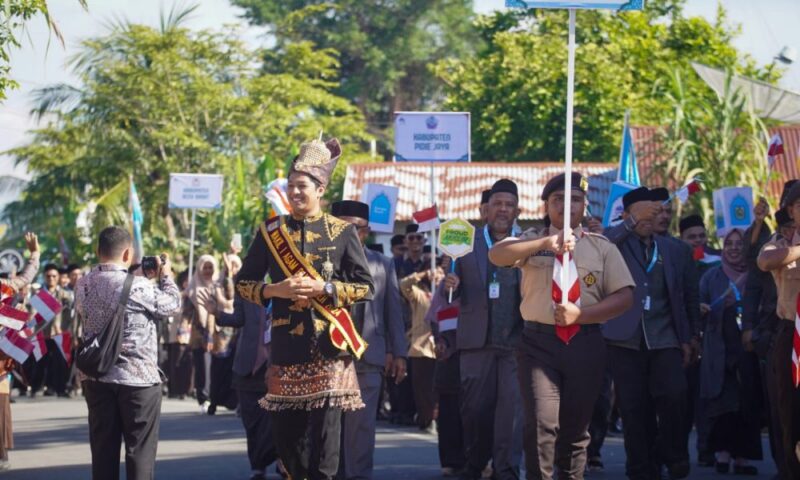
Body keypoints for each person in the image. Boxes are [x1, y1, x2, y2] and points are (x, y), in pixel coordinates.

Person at [235, 137, 374, 480]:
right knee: (289, 443)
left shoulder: (342, 232)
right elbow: (243, 284)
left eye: (302, 186)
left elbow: (365, 287)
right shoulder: (270, 232)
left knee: (327, 444)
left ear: (320, 188)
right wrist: (273, 289)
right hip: (286, 348)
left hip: (330, 349)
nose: (295, 193)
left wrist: (324, 288)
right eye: (291, 186)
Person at [489, 172, 634, 480]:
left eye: (575, 200)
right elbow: (497, 254)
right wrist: (547, 242)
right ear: (546, 206)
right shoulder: (530, 240)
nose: (566, 206)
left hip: (585, 343)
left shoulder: (601, 247)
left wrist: (579, 315)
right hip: (538, 345)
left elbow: (624, 297)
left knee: (576, 429)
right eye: (558, 200)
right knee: (541, 424)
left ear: (585, 206)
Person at [602, 187, 693, 480]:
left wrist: (691, 338)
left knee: (675, 396)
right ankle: (641, 468)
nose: (649, 218)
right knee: (633, 408)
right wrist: (630, 224)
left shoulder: (675, 249)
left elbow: (687, 296)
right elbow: (599, 246)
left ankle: (675, 453)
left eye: (653, 213)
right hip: (624, 339)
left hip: (665, 337)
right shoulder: (613, 242)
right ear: (627, 215)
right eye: (642, 213)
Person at [76, 226, 181, 480]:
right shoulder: (139, 286)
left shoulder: (83, 283)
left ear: (98, 251)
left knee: (103, 453)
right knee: (140, 454)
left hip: (97, 376)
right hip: (138, 381)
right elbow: (173, 304)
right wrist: (165, 275)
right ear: (127, 254)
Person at [442, 178, 525, 480]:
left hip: (517, 344)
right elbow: (447, 292)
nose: (503, 209)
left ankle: (506, 470)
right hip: (476, 342)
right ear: (486, 210)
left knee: (511, 415)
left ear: (517, 210)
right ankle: (475, 463)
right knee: (475, 411)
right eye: (497, 204)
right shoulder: (464, 242)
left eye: (509, 205)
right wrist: (450, 284)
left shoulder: (527, 243)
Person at [332, 200, 408, 480]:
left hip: (368, 358)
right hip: (327, 360)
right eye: (344, 227)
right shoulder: (318, 264)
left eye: (358, 229)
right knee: (329, 430)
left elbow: (394, 314)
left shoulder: (383, 264)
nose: (351, 234)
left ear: (367, 232)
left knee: (361, 429)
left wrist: (399, 353)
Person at [698, 229, 763, 474]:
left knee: (746, 403)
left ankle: (742, 458)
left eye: (739, 244)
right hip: (718, 346)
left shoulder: (757, 276)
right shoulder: (711, 277)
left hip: (748, 347)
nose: (734, 248)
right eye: (729, 244)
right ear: (723, 248)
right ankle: (722, 454)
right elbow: (697, 305)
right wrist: (701, 309)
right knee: (723, 403)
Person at [204, 282, 278, 480]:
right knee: (251, 421)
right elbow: (237, 319)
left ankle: (281, 459)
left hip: (277, 364)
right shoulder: (245, 289)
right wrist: (217, 313)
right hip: (247, 366)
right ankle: (258, 466)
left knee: (275, 420)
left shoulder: (285, 283)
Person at [757, 180, 800, 480]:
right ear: (791, 211)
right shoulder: (781, 243)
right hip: (790, 334)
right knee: (790, 411)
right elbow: (764, 260)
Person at [0, 232, 39, 471]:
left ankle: (2, 454)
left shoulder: (4, 288)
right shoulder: (5, 288)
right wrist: (34, 254)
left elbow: (24, 279)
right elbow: (25, 277)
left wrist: (34, 255)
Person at [401, 262, 442, 432]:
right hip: (422, 349)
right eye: (436, 273)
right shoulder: (420, 295)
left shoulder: (447, 294)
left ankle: (438, 417)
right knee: (423, 388)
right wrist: (423, 274)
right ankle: (427, 419)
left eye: (441, 273)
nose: (438, 276)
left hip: (441, 348)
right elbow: (404, 284)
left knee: (439, 388)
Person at [205, 253, 240, 415]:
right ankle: (214, 401)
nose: (229, 269)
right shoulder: (215, 286)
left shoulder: (241, 285)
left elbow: (231, 296)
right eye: (227, 266)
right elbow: (211, 311)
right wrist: (209, 335)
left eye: (233, 266)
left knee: (231, 370)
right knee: (217, 370)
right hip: (220, 337)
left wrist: (231, 275)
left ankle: (232, 401)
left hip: (235, 333)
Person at [186, 255, 219, 413]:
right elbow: (185, 311)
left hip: (220, 334)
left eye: (210, 267)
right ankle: (203, 399)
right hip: (199, 335)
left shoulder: (218, 286)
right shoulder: (193, 288)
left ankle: (216, 398)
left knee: (216, 368)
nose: (207, 271)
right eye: (204, 267)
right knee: (202, 367)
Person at [40, 262, 74, 397]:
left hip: (60, 333)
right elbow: (34, 314)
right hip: (43, 334)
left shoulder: (65, 294)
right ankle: (46, 387)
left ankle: (62, 388)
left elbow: (71, 313)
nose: (51, 279)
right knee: (45, 362)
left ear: (58, 277)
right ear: (44, 276)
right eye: (48, 276)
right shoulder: (39, 294)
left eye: (54, 276)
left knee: (61, 361)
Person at [165, 270, 193, 399]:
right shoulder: (178, 295)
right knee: (174, 362)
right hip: (176, 334)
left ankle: (185, 389)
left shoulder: (193, 295)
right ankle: (174, 389)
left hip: (189, 334)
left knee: (186, 363)